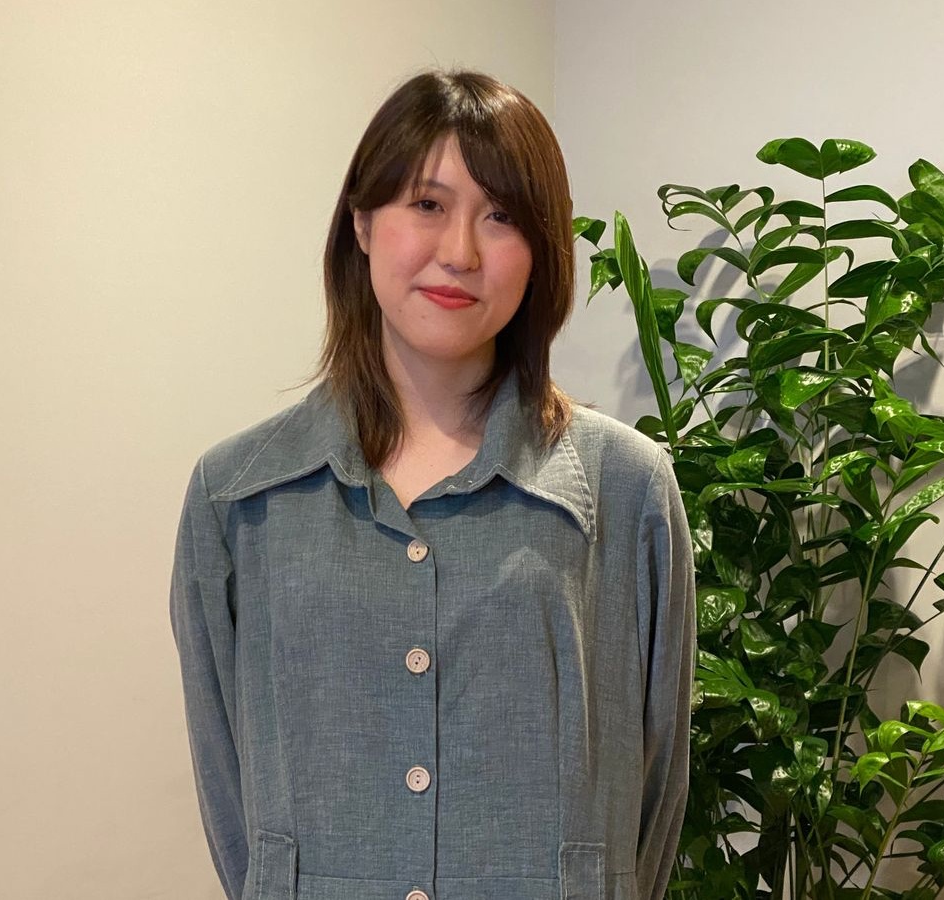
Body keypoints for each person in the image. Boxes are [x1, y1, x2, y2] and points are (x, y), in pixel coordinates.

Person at [169, 68, 695, 900]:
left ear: (541, 252)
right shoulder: (238, 498)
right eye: (427, 204)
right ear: (362, 221)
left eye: (502, 215)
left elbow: (652, 802)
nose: (460, 253)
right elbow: (237, 811)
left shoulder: (627, 490)